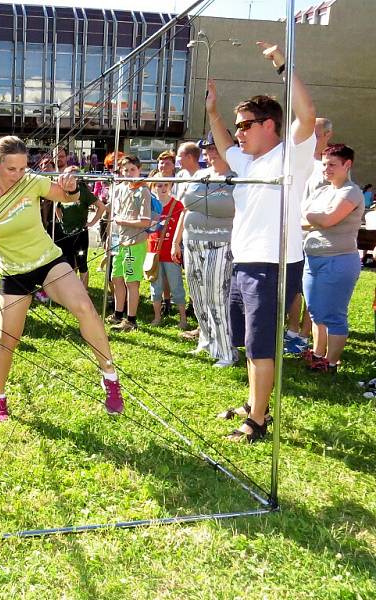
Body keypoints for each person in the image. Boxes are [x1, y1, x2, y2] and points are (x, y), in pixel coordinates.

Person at [0, 136, 123, 421]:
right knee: (7, 341)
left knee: (85, 307)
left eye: (23, 168)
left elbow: (66, 196)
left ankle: (110, 378)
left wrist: (72, 190)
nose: (19, 174)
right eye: (12, 169)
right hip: (13, 272)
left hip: (48, 261)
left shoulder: (31, 182)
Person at [205, 41, 316, 442]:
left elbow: (307, 114)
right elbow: (224, 146)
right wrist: (214, 113)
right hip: (246, 262)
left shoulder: (291, 155)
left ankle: (258, 420)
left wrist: (283, 63)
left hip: (273, 265)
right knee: (248, 341)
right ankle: (255, 402)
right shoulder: (249, 161)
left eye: (245, 125)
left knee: (260, 346)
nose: (238, 133)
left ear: (269, 124)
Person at [172, 132, 238, 367]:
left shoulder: (237, 177)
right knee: (198, 296)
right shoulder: (200, 175)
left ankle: (226, 351)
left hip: (220, 243)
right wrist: (177, 239)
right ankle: (206, 340)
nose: (211, 153)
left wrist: (202, 203)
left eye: (215, 148)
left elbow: (227, 208)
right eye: (208, 149)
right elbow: (185, 206)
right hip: (192, 241)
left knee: (216, 296)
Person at [301, 144, 364, 373]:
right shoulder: (323, 191)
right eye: (325, 164)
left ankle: (332, 362)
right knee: (316, 310)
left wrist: (314, 216)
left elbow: (326, 220)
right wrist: (319, 217)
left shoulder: (351, 191)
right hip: (313, 259)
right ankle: (318, 355)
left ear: (347, 165)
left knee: (334, 314)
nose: (326, 169)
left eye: (332, 165)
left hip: (338, 260)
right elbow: (309, 220)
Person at [285, 117, 334, 353]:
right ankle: (292, 331)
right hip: (293, 234)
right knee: (293, 285)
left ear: (327, 135)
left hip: (315, 237)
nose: (309, 138)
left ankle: (304, 336)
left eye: (314, 133)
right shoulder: (294, 161)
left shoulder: (330, 167)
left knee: (310, 289)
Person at [107, 155, 152, 332]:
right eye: (125, 170)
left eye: (132, 169)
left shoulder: (143, 191)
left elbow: (145, 222)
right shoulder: (119, 189)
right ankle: (118, 313)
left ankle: (131, 319)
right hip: (119, 241)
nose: (128, 173)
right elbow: (113, 216)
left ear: (139, 170)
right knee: (116, 278)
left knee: (131, 281)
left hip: (135, 242)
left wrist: (123, 222)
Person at [54, 165, 104, 288]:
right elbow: (57, 207)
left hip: (80, 233)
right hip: (66, 233)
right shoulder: (61, 191)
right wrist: (61, 220)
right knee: (68, 262)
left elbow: (102, 207)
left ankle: (84, 290)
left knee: (82, 263)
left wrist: (91, 223)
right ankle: (71, 289)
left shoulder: (83, 192)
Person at [147, 177, 188, 328]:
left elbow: (182, 226)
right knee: (155, 286)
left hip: (171, 253)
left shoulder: (177, 205)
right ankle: (157, 317)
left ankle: (183, 319)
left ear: (170, 186)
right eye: (159, 185)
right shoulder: (150, 204)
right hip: (153, 252)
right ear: (153, 186)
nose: (163, 188)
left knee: (176, 285)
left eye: (166, 185)